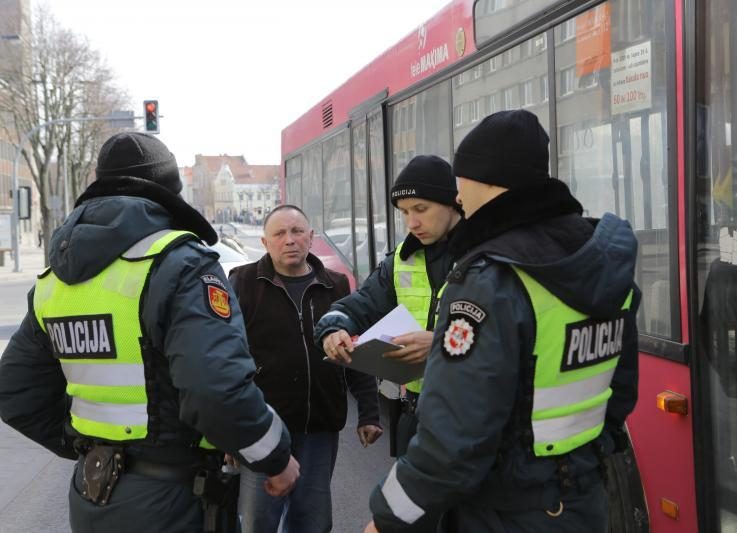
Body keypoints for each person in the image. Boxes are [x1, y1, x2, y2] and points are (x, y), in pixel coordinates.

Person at [0, 132, 300, 533]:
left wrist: (95, 449)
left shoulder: (54, 281)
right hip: (174, 500)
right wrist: (275, 457)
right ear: (169, 192)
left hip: (92, 494)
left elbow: (14, 392)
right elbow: (217, 391)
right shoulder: (182, 265)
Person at [365, 109, 641, 532]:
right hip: (582, 501)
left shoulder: (489, 277)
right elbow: (619, 395)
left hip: (504, 512)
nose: (458, 198)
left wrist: (387, 519)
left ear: (489, 183)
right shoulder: (600, 262)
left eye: (461, 184)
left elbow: (452, 440)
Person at [229, 204, 382, 533]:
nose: (289, 240)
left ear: (311, 238)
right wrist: (230, 435)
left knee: (312, 523)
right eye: (280, 233)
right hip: (262, 431)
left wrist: (369, 412)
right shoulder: (242, 283)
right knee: (258, 524)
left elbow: (357, 352)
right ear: (265, 241)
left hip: (318, 429)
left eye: (297, 231)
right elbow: (227, 361)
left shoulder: (336, 286)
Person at [315, 155, 462, 459]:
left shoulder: (487, 254)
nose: (412, 223)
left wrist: (439, 342)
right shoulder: (400, 261)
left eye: (421, 209)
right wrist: (334, 329)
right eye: (404, 213)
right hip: (416, 415)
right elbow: (360, 304)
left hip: (471, 417)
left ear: (452, 202)